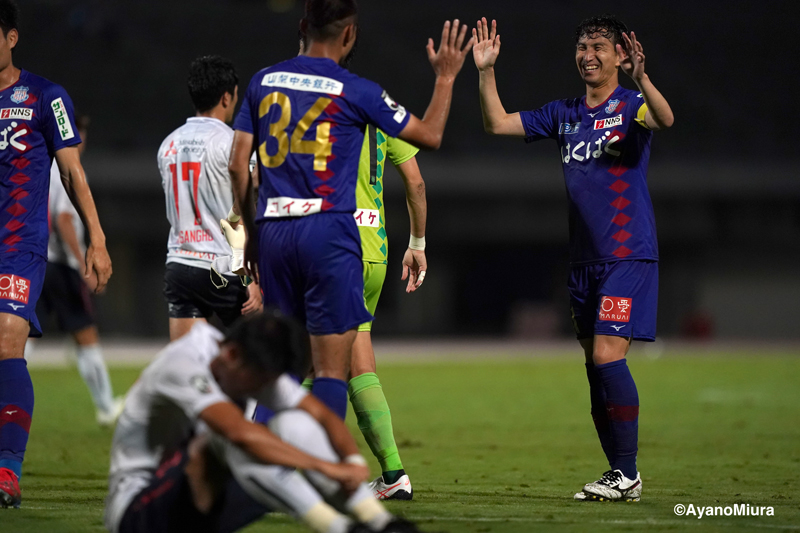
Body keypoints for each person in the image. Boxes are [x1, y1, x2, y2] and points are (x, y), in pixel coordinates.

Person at [228, 0, 473, 425]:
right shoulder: (357, 90)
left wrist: (251, 236)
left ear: (303, 26)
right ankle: (318, 472)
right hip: (329, 233)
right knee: (330, 371)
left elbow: (237, 165)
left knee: (282, 365)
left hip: (274, 233)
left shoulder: (262, 81)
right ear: (349, 35)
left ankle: (254, 468)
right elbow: (430, 135)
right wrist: (447, 77)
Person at [472, 15, 674, 502]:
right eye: (583, 46)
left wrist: (643, 79)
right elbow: (497, 122)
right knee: (593, 368)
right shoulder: (564, 113)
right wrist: (485, 70)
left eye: (600, 46)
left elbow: (665, 119)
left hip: (627, 254)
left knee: (607, 356)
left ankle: (626, 472)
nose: (589, 54)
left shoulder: (630, 106)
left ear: (620, 55)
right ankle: (619, 475)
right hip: (585, 261)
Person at [104, 311, 420, 533]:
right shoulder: (183, 363)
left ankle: (380, 523)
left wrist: (351, 461)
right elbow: (239, 433)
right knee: (227, 438)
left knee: (294, 423)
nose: (261, 389)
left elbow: (320, 415)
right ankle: (338, 528)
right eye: (259, 381)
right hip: (140, 509)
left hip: (204, 499)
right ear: (230, 356)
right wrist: (326, 468)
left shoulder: (246, 358)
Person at [0, 0, 113, 508]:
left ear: (12, 37)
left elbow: (72, 173)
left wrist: (98, 237)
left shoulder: (46, 96)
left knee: (8, 340)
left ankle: (7, 472)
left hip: (18, 244)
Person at [157, 55, 261, 342]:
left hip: (179, 263)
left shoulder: (168, 144)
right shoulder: (232, 144)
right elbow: (241, 210)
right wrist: (250, 277)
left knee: (187, 367)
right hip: (223, 267)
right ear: (226, 97)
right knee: (260, 359)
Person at [30, 114, 123, 426]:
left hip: (34, 262)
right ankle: (106, 407)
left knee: (21, 338)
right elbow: (65, 219)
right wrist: (81, 260)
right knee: (86, 337)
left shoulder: (40, 166)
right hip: (60, 266)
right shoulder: (65, 169)